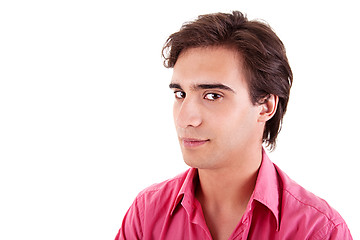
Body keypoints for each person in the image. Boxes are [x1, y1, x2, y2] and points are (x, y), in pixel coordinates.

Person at [115, 11, 352, 240]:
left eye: (213, 96)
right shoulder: (147, 215)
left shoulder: (318, 231)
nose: (185, 118)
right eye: (180, 94)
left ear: (265, 106)